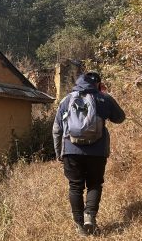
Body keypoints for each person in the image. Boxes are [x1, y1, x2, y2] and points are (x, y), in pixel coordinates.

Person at [52, 71, 125, 236]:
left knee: (75, 186)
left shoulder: (67, 100)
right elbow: (120, 118)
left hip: (71, 151)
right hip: (97, 152)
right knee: (94, 184)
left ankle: (79, 226)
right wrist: (105, 95)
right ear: (98, 84)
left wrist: (59, 153)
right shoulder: (103, 99)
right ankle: (89, 216)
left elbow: (57, 129)